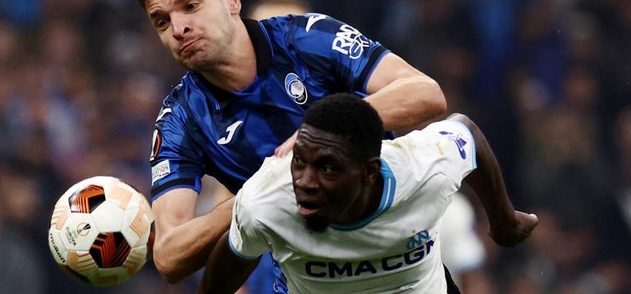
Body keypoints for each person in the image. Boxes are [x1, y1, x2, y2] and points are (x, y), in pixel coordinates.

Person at [130, 0, 447, 290]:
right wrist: (260, 192)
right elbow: (170, 255)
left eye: (190, 5)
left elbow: (425, 93)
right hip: (311, 281)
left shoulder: (307, 38)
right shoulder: (180, 119)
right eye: (162, 22)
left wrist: (331, 129)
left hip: (402, 260)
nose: (178, 29)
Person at [198, 93, 539, 293]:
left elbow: (466, 131)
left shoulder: (422, 170)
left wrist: (504, 220)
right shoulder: (265, 200)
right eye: (299, 161)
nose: (304, 181)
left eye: (327, 168)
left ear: (370, 172)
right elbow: (235, 252)